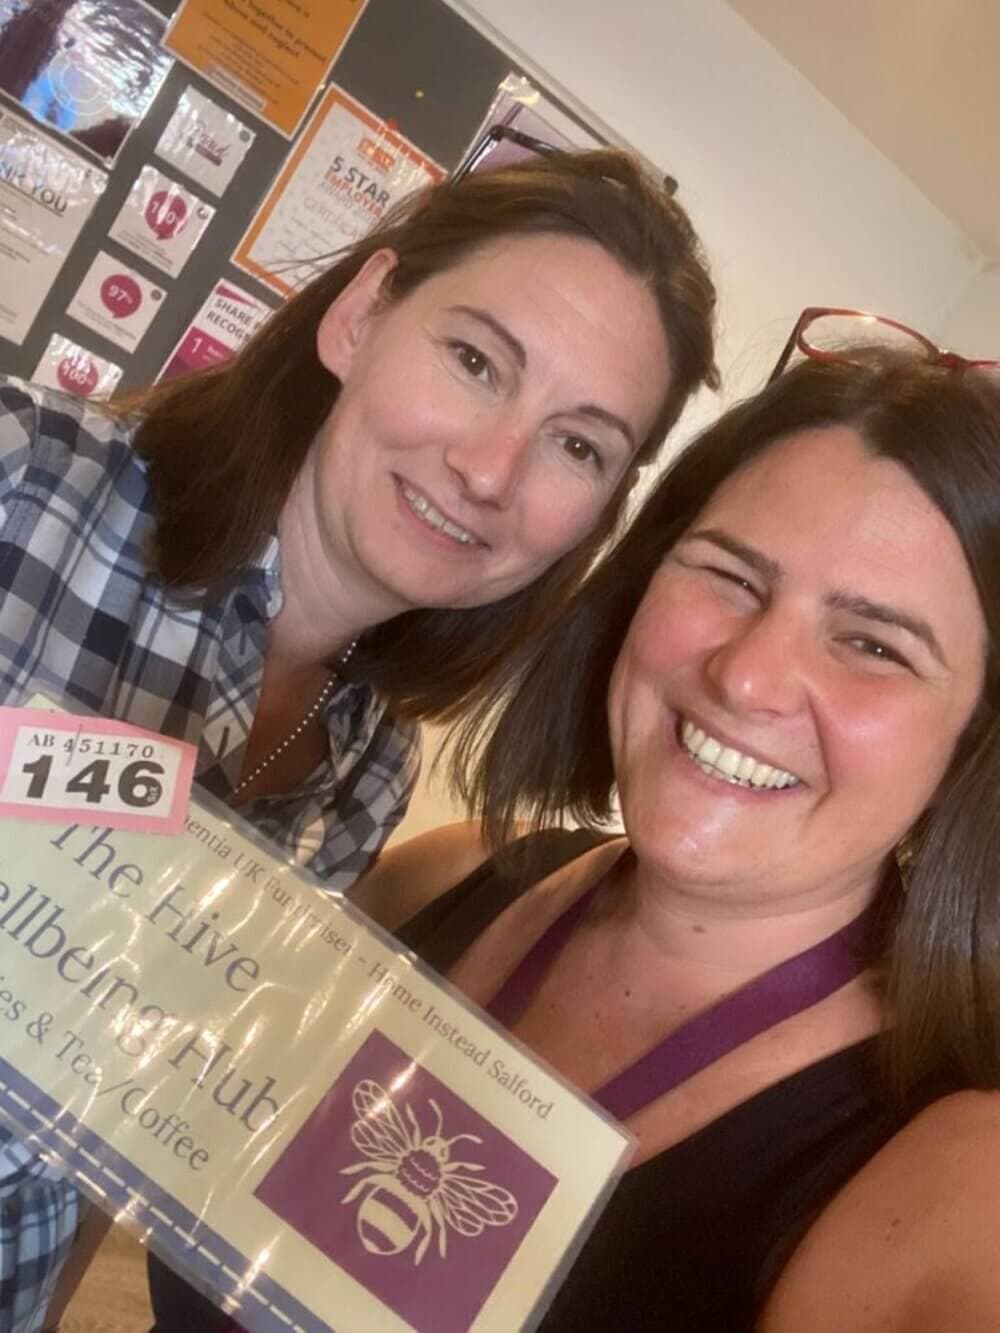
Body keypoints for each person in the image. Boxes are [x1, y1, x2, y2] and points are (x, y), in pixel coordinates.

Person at [0, 147, 718, 1333]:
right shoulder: (24, 481)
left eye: (579, 444)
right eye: (475, 360)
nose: (491, 471)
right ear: (359, 314)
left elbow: (104, 1133)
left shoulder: (367, 772)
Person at [350, 321, 1000, 1330]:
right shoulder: (441, 879)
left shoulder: (952, 1185)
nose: (746, 674)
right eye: (731, 577)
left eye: (872, 643)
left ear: (970, 746)